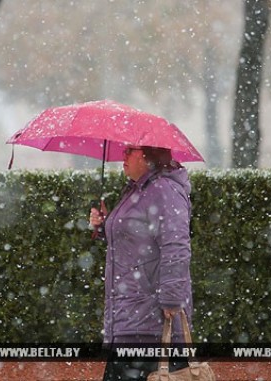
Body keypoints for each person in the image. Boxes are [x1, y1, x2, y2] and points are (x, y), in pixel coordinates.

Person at [90, 145, 193, 381]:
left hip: (151, 322)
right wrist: (105, 225)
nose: (123, 155)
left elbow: (176, 245)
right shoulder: (138, 190)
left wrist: (171, 298)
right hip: (129, 317)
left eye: (131, 151)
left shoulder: (164, 190)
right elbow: (136, 239)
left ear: (149, 156)